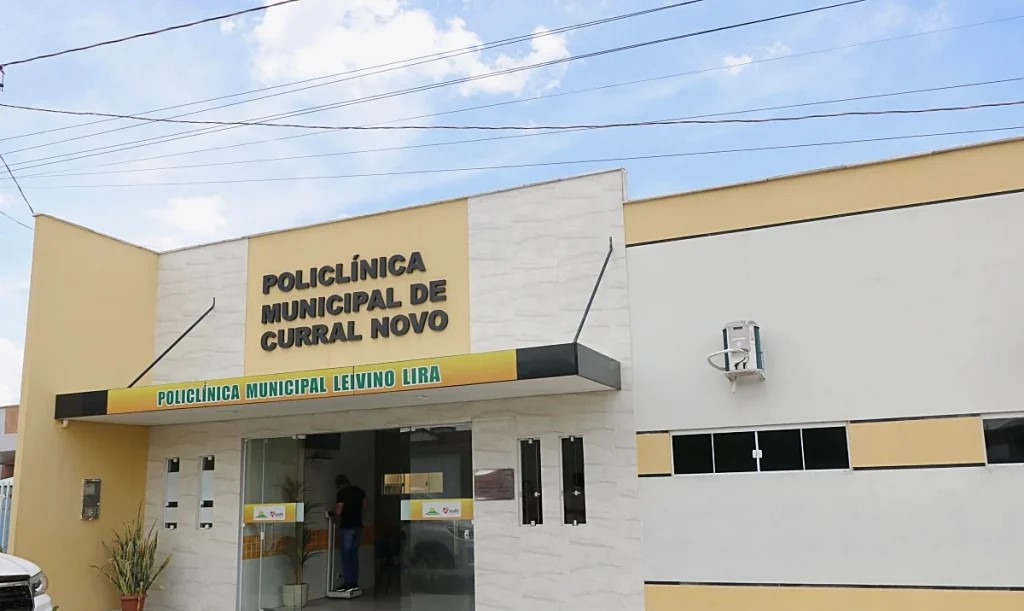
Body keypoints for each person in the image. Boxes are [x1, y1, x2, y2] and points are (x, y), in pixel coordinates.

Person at [334, 474, 367, 594]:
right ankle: (354, 583)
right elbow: (365, 506)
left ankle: (348, 583)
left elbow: (338, 511)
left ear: (339, 485)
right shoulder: (359, 491)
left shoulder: (342, 494)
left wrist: (336, 517)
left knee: (346, 556)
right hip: (358, 526)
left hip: (347, 527)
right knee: (354, 555)